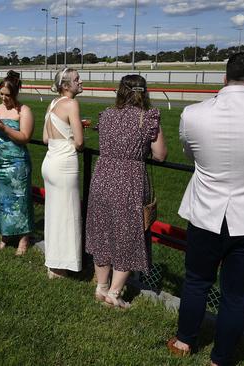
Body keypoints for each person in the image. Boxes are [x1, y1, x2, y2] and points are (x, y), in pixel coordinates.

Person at [167, 52, 244, 366]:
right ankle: (219, 358)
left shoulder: (193, 113)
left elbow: (193, 157)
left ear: (224, 78)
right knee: (236, 295)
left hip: (206, 211)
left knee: (196, 281)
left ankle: (184, 340)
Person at [84, 75, 167, 308]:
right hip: (130, 180)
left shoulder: (107, 115)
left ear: (120, 91)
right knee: (128, 235)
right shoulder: (147, 117)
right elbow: (160, 154)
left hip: (103, 176)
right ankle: (115, 292)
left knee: (102, 229)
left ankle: (101, 286)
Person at [0, 70, 35, 255]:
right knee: (1, 201)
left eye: (7, 95)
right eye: (1, 94)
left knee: (20, 202)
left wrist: (4, 128)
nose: (4, 98)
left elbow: (24, 137)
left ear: (15, 94)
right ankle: (5, 235)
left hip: (16, 164)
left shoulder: (24, 111)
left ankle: (23, 238)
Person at [41, 68, 85, 278]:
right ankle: (61, 267)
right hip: (65, 163)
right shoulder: (71, 104)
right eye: (77, 80)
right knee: (67, 214)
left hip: (50, 160)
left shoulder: (53, 104)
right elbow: (79, 142)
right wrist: (79, 129)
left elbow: (45, 139)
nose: (81, 82)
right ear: (66, 85)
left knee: (54, 213)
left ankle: (54, 262)